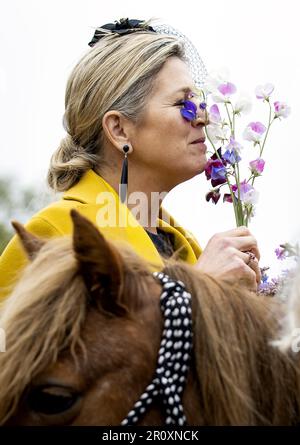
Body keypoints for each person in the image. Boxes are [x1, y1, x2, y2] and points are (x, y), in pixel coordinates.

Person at [0, 19, 261, 302]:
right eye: (181, 104)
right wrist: (198, 288)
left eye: (198, 102)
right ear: (119, 130)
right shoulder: (58, 234)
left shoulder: (188, 248)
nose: (202, 117)